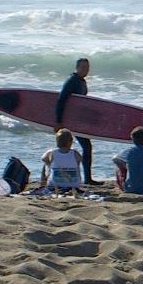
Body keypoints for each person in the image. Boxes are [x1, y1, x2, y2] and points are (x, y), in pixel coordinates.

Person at [55, 57, 100, 185]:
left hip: (78, 121)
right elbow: (61, 100)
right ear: (77, 68)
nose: (86, 70)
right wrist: (59, 122)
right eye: (83, 67)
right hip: (71, 121)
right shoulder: (72, 81)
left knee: (83, 147)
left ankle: (83, 177)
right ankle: (86, 179)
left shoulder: (81, 81)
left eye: (88, 68)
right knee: (86, 146)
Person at [113, 126, 143, 195]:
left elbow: (115, 159)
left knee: (119, 163)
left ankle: (124, 183)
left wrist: (125, 166)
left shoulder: (128, 151)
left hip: (130, 188)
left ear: (132, 139)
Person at [41, 128, 84, 194]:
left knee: (46, 163)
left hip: (54, 185)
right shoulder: (75, 153)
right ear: (71, 141)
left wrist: (49, 163)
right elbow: (80, 161)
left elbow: (43, 159)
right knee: (75, 165)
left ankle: (43, 184)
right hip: (73, 186)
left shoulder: (52, 152)